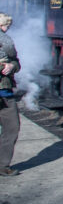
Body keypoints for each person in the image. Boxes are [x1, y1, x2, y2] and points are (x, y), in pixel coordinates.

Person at [0, 12, 21, 176]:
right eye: (4, 25)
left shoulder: (7, 42)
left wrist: (11, 67)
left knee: (12, 127)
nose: (6, 29)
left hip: (5, 92)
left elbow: (16, 62)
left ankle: (2, 165)